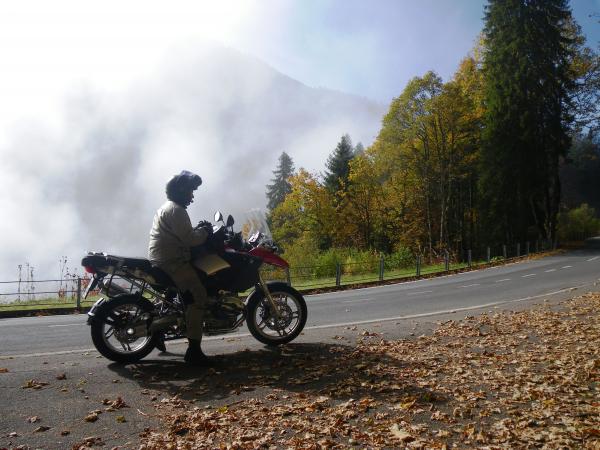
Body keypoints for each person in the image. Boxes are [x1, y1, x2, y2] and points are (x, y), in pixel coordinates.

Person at [148, 170, 211, 365]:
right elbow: (190, 239)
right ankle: (194, 351)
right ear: (181, 191)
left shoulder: (169, 207)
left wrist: (198, 230)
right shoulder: (177, 210)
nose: (192, 196)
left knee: (179, 297)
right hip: (171, 260)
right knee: (198, 297)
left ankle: (160, 330)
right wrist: (206, 232)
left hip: (161, 257)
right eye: (190, 192)